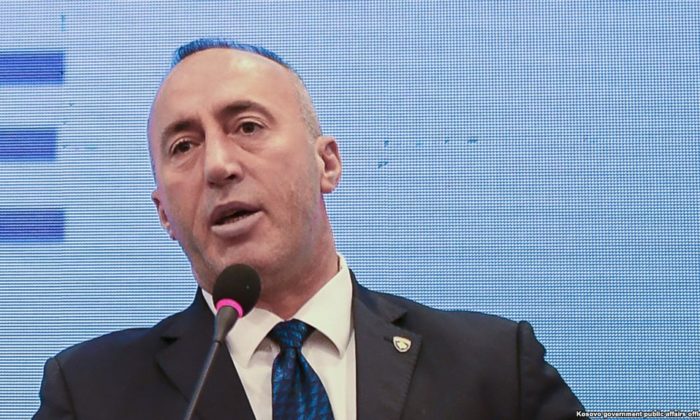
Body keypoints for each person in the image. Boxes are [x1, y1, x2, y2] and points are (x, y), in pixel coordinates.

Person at [34, 38, 584, 419]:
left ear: (327, 164)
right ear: (163, 214)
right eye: (183, 146)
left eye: (247, 126)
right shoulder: (91, 393)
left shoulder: (494, 368)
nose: (217, 165)